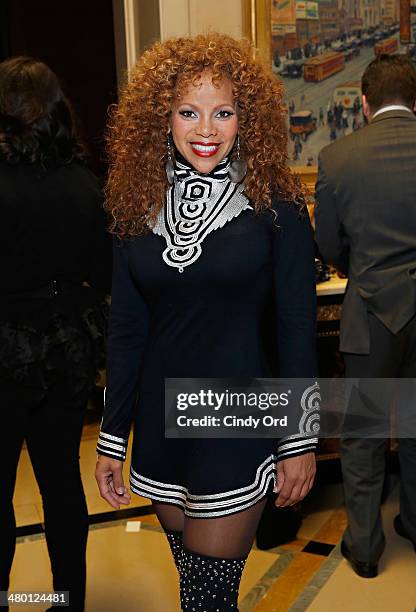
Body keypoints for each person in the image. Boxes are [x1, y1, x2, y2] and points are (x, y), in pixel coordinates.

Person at [95, 33, 318, 611]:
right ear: (161, 117)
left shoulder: (278, 204)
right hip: (160, 424)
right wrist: (112, 436)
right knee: (195, 590)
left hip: (238, 419)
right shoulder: (133, 200)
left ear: (248, 118)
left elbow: (297, 326)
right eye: (188, 112)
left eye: (224, 112)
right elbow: (127, 328)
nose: (206, 129)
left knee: (208, 599)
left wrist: (300, 439)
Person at [0, 57, 112, 611]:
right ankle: (68, 601)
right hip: (67, 347)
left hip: (3, 350)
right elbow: (109, 274)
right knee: (62, 484)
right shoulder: (85, 185)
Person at [315, 54, 416, 578]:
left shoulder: (337, 157)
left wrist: (366, 269)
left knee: (363, 436)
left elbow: (328, 242)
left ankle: (366, 549)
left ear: (364, 102)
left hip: (372, 312)